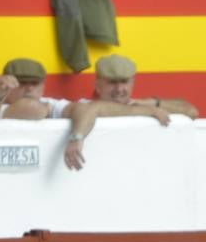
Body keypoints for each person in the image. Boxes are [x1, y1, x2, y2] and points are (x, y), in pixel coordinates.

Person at [63, 54, 197, 170]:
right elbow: (95, 108)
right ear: (97, 85)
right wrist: (145, 110)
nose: (119, 88)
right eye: (112, 82)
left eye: (124, 82)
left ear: (133, 83)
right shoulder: (84, 107)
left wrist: (151, 102)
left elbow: (191, 112)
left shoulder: (141, 106)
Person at [0, 58, 74, 120]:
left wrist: (77, 137)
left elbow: (86, 109)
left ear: (43, 86)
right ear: (7, 84)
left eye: (34, 83)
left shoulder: (50, 102)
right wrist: (47, 109)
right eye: (22, 83)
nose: (29, 88)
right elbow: (30, 108)